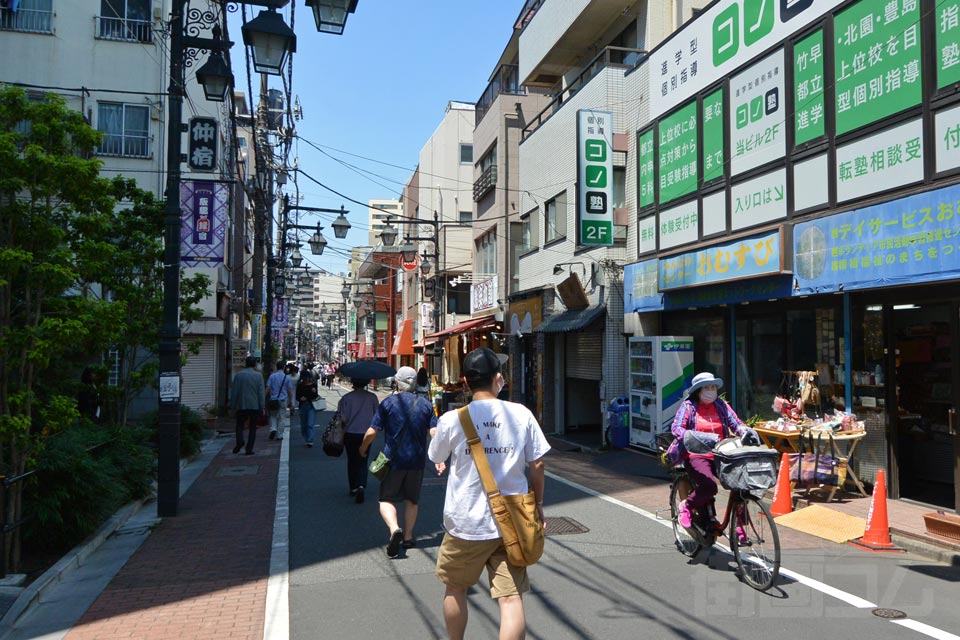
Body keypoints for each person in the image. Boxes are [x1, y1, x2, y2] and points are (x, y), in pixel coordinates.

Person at [428, 348, 550, 640]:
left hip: (465, 523)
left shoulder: (452, 418)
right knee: (510, 598)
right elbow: (538, 464)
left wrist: (439, 436)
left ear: (467, 383)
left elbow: (437, 456)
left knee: (456, 588)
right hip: (512, 521)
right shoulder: (521, 413)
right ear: (499, 379)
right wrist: (539, 504)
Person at [359, 366, 437, 557]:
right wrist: (439, 456)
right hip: (416, 461)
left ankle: (395, 529)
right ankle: (408, 537)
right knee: (412, 500)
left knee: (386, 499)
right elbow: (434, 432)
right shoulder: (426, 405)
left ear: (397, 382)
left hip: (393, 460)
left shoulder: (388, 403)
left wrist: (362, 449)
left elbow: (372, 431)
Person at [670, 371, 759, 530]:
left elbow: (735, 423)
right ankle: (687, 505)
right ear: (698, 391)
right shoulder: (688, 406)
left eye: (713, 387)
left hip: (721, 453)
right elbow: (677, 428)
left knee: (741, 483)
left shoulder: (721, 405)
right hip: (696, 454)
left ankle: (739, 525)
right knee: (710, 486)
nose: (711, 390)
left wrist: (744, 430)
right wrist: (699, 437)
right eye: (707, 387)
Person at [336, 377, 379, 503]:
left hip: (350, 432)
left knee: (352, 459)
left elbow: (341, 417)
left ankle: (353, 486)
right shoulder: (372, 397)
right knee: (363, 458)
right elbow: (378, 414)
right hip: (367, 432)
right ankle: (361, 485)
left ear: (353, 383)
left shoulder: (346, 398)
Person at [230, 356, 265, 455]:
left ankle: (240, 441)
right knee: (252, 427)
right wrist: (262, 406)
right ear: (255, 364)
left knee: (239, 425)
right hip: (254, 405)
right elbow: (261, 393)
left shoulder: (238, 375)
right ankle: (249, 449)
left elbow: (234, 392)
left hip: (241, 405)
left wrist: (232, 406)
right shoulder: (258, 376)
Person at [265, 360, 293, 441]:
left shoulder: (272, 376)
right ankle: (279, 435)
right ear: (284, 367)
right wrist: (291, 401)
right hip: (283, 399)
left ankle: (273, 428)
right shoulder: (286, 377)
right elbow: (290, 390)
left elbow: (268, 388)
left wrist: (263, 396)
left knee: (273, 415)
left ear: (276, 367)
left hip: (273, 399)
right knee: (282, 417)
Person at [295, 366, 320, 447]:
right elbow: (297, 396)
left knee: (310, 424)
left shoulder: (313, 385)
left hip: (312, 406)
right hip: (302, 406)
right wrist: (300, 398)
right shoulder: (300, 385)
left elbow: (316, 396)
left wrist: (314, 392)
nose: (306, 379)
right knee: (303, 425)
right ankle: (306, 438)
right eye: (304, 378)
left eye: (307, 377)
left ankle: (309, 440)